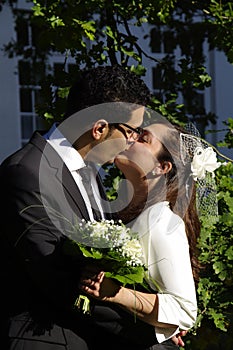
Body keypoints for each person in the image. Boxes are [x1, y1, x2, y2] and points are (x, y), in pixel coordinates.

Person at [0, 65, 184, 350]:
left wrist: (156, 313)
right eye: (132, 131)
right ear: (99, 129)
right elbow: (58, 281)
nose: (133, 140)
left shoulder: (89, 173)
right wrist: (153, 331)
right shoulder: (27, 173)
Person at [79, 121, 201, 347]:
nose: (131, 138)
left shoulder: (163, 221)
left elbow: (184, 310)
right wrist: (161, 323)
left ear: (162, 167)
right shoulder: (124, 213)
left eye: (144, 138)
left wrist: (117, 293)